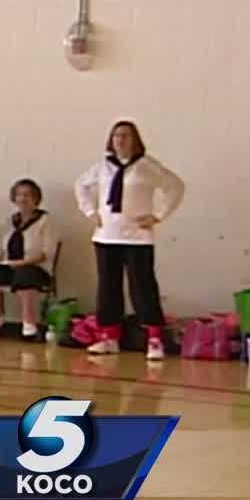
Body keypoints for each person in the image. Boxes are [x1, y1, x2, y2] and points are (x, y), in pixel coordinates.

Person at [74, 119, 185, 359]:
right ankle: (109, 336)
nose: (120, 140)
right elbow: (81, 185)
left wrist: (157, 216)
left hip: (137, 237)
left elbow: (175, 187)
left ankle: (154, 338)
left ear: (135, 140)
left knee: (142, 286)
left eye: (125, 135)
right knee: (108, 287)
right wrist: (90, 212)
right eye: (116, 136)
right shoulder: (103, 166)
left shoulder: (147, 166)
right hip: (107, 235)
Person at [0, 178, 59, 341]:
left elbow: (47, 253)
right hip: (9, 266)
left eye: (27, 195)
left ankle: (28, 320)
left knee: (24, 274)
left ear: (35, 199)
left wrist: (22, 262)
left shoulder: (46, 221)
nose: (23, 199)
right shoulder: (9, 221)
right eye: (19, 195)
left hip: (35, 268)